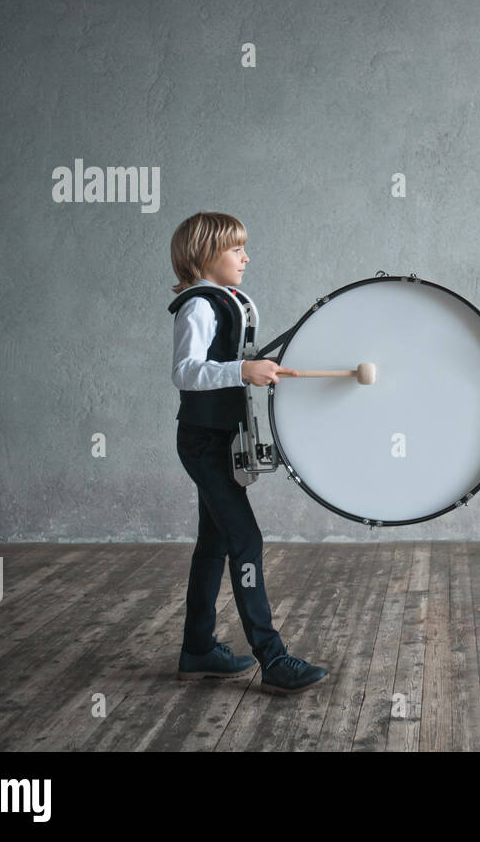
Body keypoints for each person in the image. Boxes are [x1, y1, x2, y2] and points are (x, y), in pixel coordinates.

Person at [167, 211, 328, 695]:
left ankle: (198, 649)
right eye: (236, 249)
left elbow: (231, 361)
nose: (246, 257)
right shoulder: (197, 306)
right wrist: (242, 370)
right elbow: (187, 372)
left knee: (214, 544)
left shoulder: (227, 300)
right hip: (203, 442)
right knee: (246, 542)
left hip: (218, 438)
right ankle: (273, 658)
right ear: (205, 255)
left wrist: (258, 367)